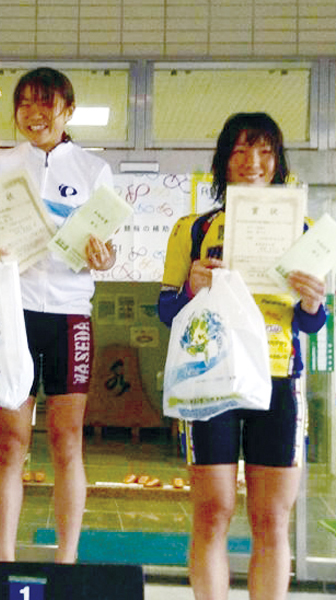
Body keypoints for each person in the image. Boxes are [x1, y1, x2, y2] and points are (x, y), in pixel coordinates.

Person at [158, 112, 327, 600]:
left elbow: (313, 323)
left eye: (265, 151)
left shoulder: (304, 228)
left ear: (278, 161)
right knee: (212, 511)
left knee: (271, 517)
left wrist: (314, 301)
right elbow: (167, 309)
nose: (253, 162)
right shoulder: (193, 228)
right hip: (211, 378)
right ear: (223, 162)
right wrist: (191, 286)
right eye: (240, 151)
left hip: (279, 377)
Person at [0, 67, 116, 563]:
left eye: (47, 104)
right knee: (11, 443)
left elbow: (105, 246)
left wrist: (104, 257)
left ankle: (67, 559)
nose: (35, 115)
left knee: (66, 439)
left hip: (69, 316)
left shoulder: (93, 169)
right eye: (26, 105)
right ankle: (4, 558)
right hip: (14, 314)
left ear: (68, 110)